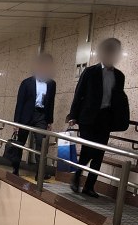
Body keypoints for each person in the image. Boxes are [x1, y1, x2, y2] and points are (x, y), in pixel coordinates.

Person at [68, 38, 130, 198]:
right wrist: (73, 115)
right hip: (88, 118)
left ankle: (89, 186)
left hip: (105, 119)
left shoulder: (119, 76)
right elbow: (79, 94)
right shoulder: (90, 72)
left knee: (99, 154)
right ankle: (76, 177)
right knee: (87, 150)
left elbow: (118, 99)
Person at [12, 53, 56, 178]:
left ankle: (39, 173)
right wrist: (16, 122)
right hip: (26, 116)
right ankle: (15, 169)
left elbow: (51, 103)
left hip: (41, 116)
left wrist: (49, 121)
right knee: (20, 143)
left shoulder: (52, 84)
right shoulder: (26, 83)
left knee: (41, 145)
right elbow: (20, 103)